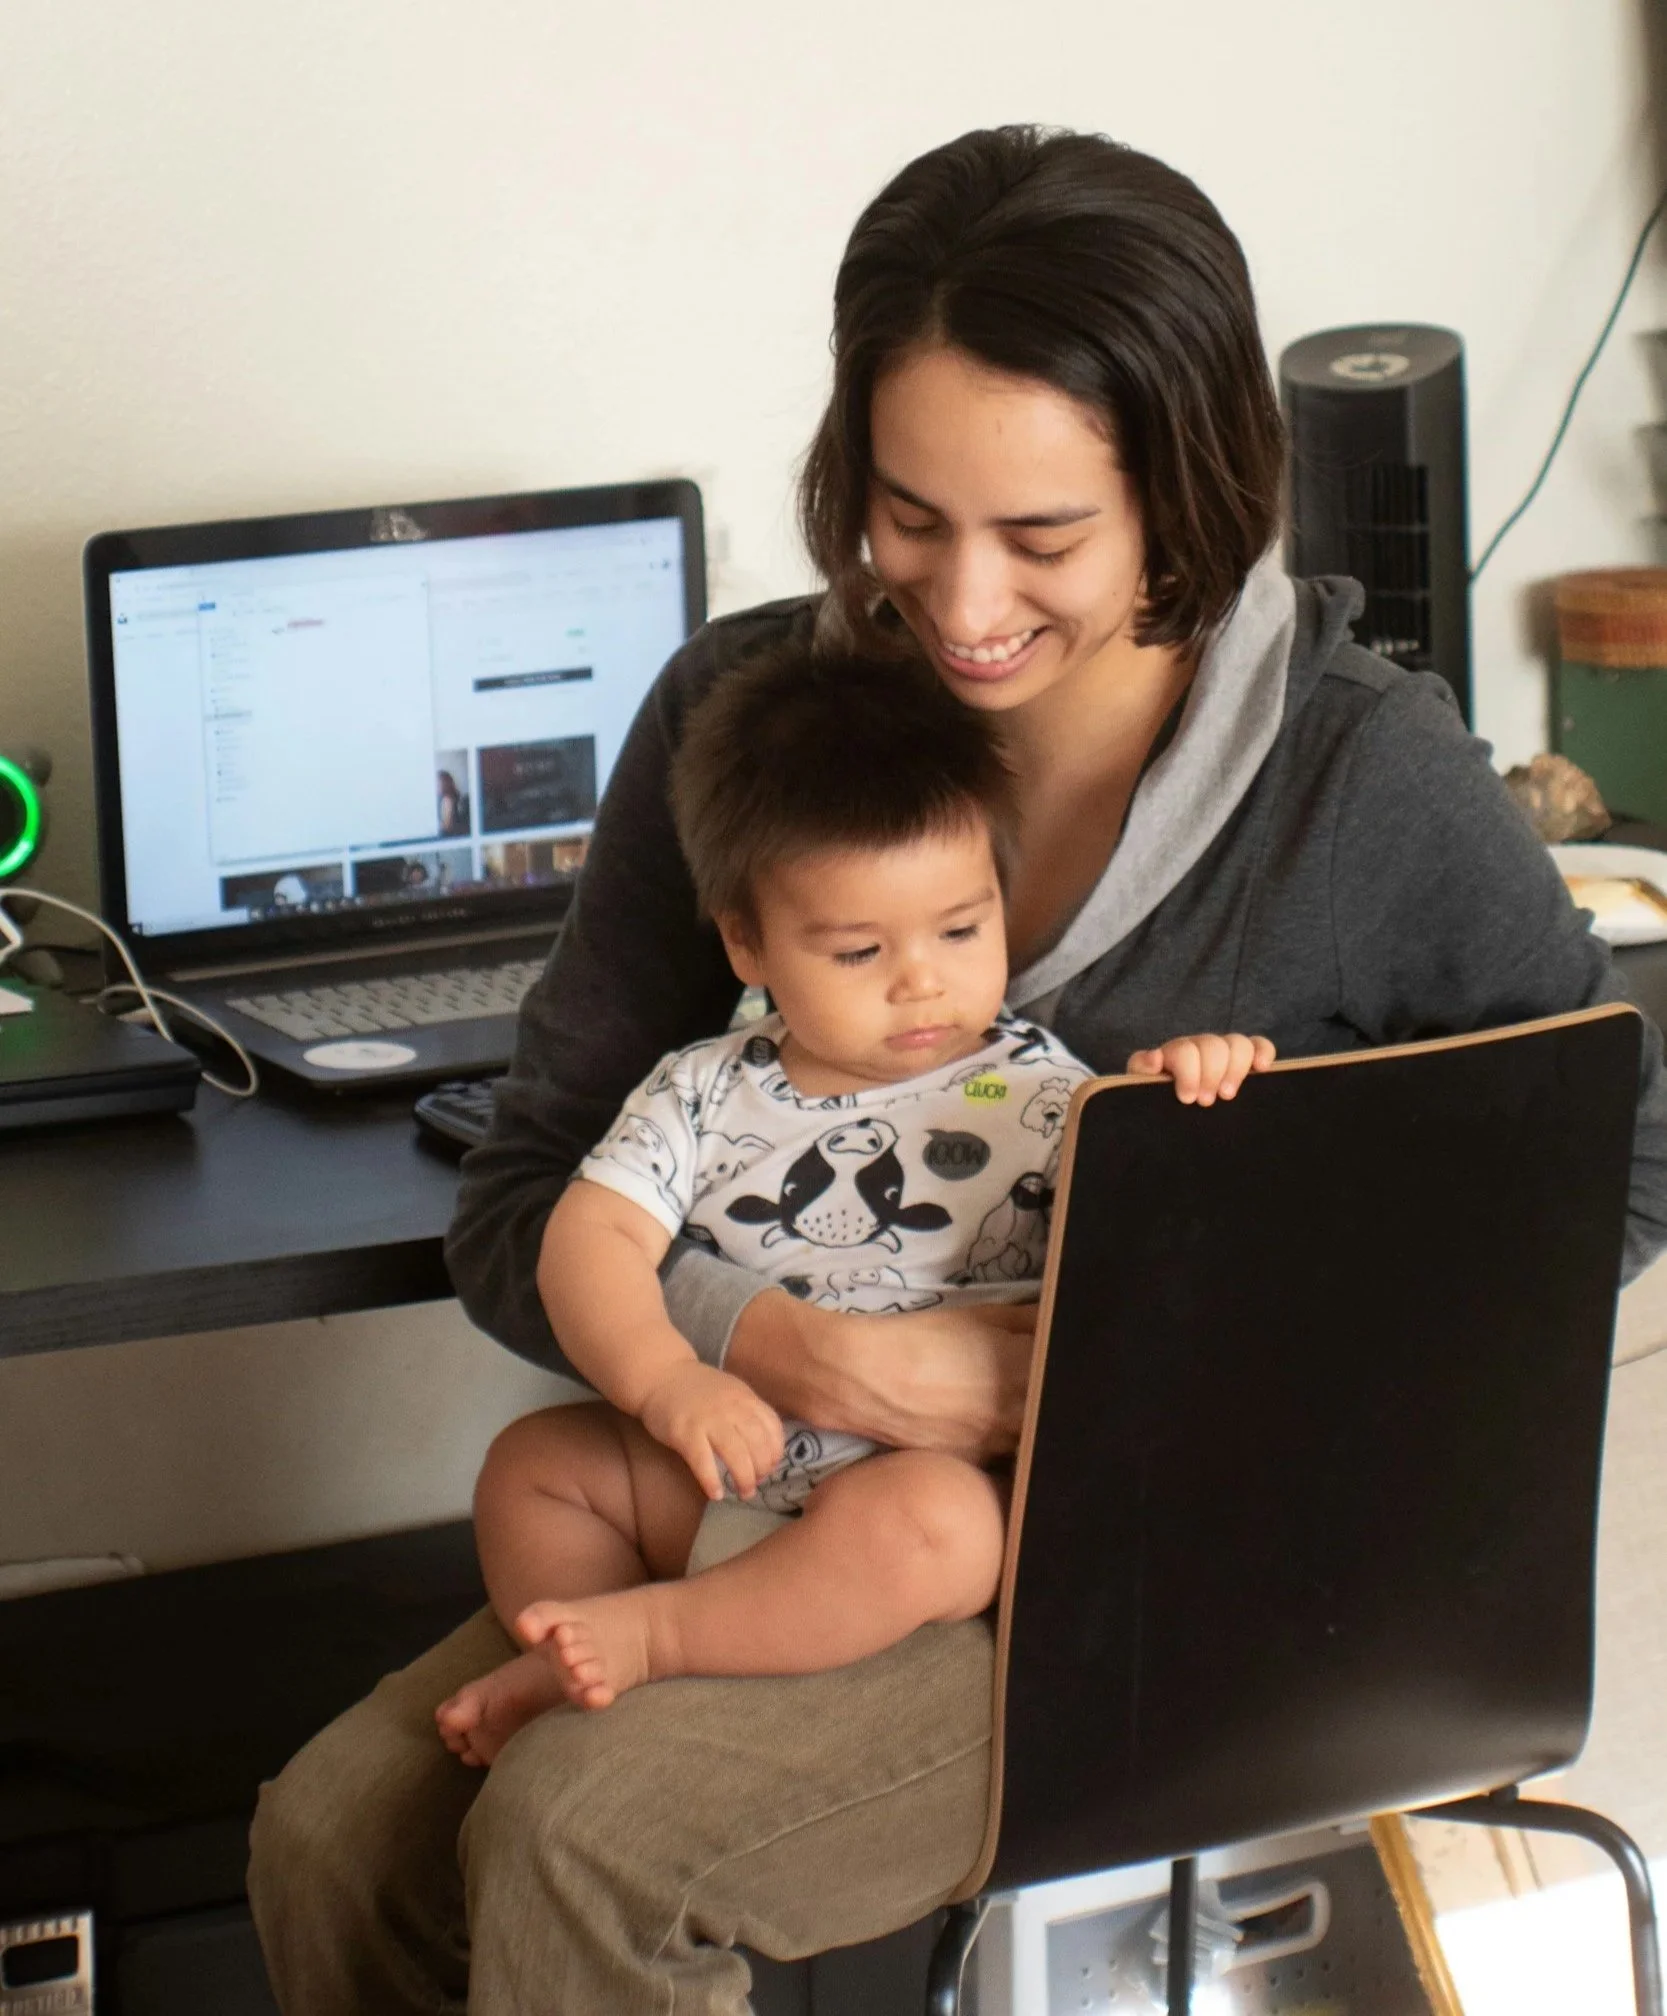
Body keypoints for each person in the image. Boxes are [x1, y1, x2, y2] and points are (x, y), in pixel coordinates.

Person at [247, 125, 1667, 2016]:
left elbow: (1616, 1169)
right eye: (908, 516)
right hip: (793, 1501)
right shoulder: (754, 731)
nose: (964, 602)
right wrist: (790, 1346)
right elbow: (524, 1208)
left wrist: (1177, 1366)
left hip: (1176, 1576)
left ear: (1186, 493)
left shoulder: (1360, 784)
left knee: (587, 1837)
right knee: (331, 1836)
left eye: (1045, 537)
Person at [431, 644, 1274, 1762]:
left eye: (960, 931)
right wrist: (666, 1378)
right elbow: (586, 1239)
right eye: (859, 949)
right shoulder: (700, 1089)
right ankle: (565, 1667)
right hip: (736, 1472)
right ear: (747, 942)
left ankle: (653, 1639)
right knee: (533, 1468)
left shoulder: (1047, 1091)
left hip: (908, 1505)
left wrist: (1191, 1093)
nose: (920, 981)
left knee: (940, 1528)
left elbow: (1172, 1246)